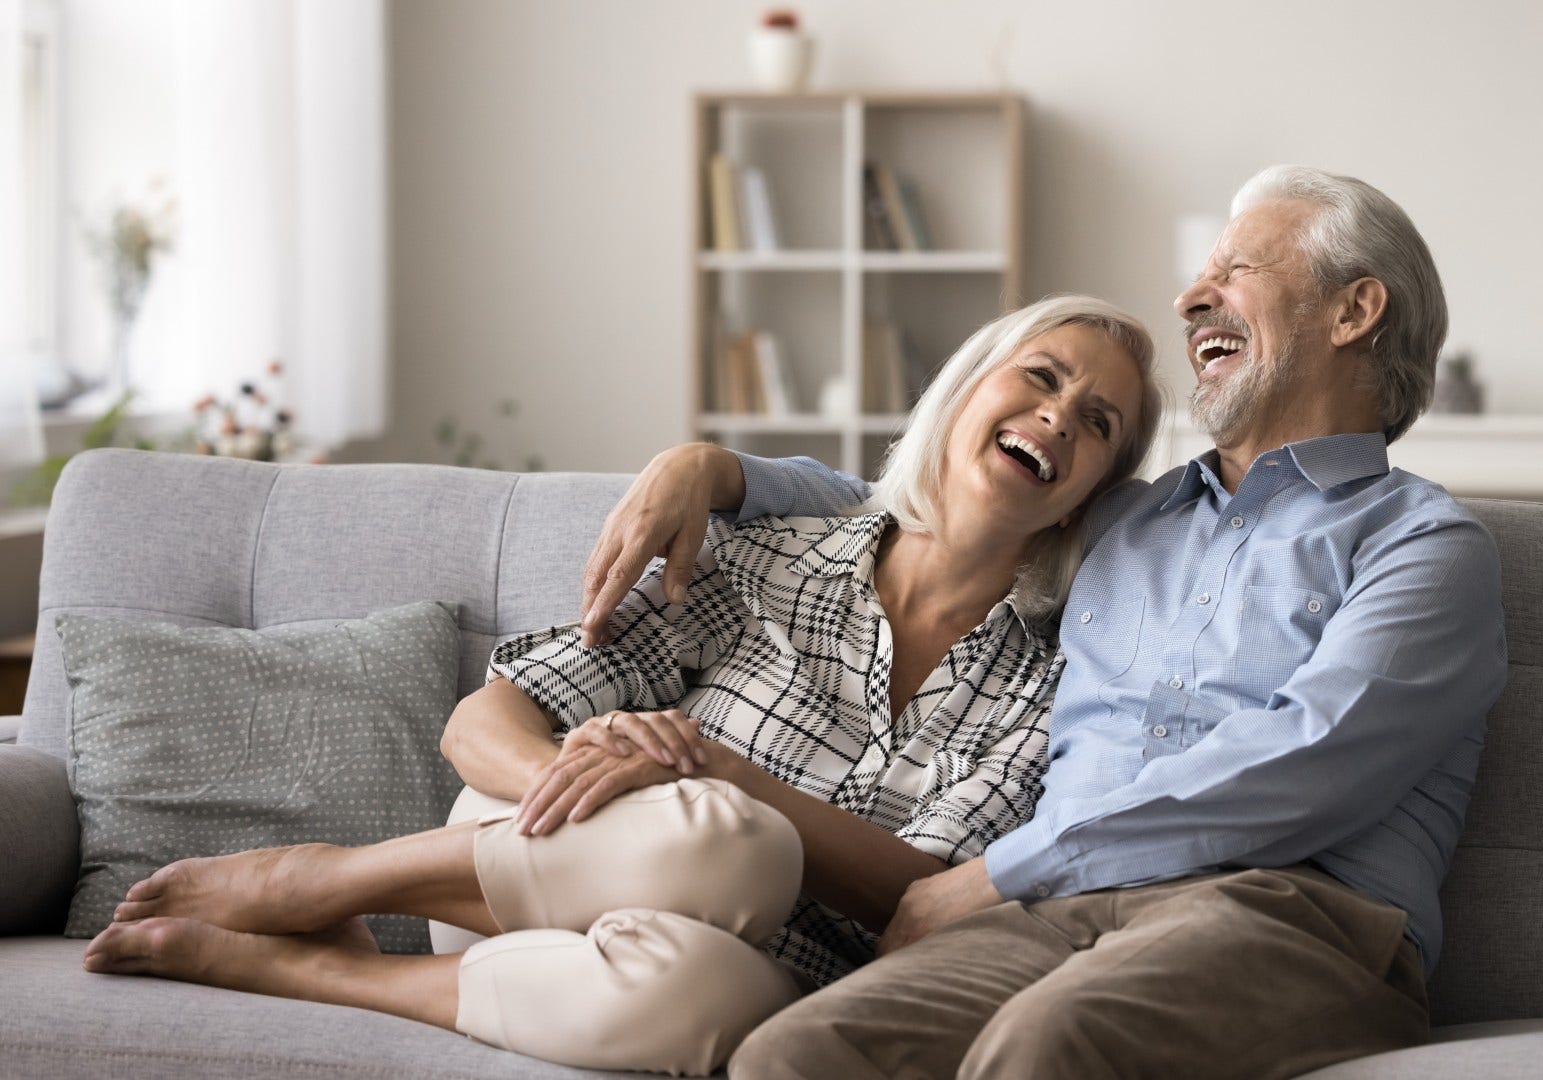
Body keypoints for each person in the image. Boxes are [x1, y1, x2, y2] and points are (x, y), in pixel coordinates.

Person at [575, 165, 1510, 1080]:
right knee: (797, 1052)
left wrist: (1005, 871)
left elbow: (1311, 759)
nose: (1193, 299)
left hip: (1296, 919)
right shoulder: (1122, 521)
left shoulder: (1423, 545)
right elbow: (928, 507)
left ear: (1354, 312)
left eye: (1235, 272)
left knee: (1049, 1047)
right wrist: (714, 470)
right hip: (1058, 913)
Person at [80, 294, 1166, 1076]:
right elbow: (483, 721)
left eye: (1099, 422)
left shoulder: (1058, 678)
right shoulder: (773, 556)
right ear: (971, 389)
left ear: (1083, 502)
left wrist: (713, 766)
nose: (1061, 416)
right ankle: (326, 881)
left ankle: (313, 971)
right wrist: (582, 788)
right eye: (1043, 375)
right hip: (528, 874)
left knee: (715, 1001)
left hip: (719, 967)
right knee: (722, 841)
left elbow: (918, 890)